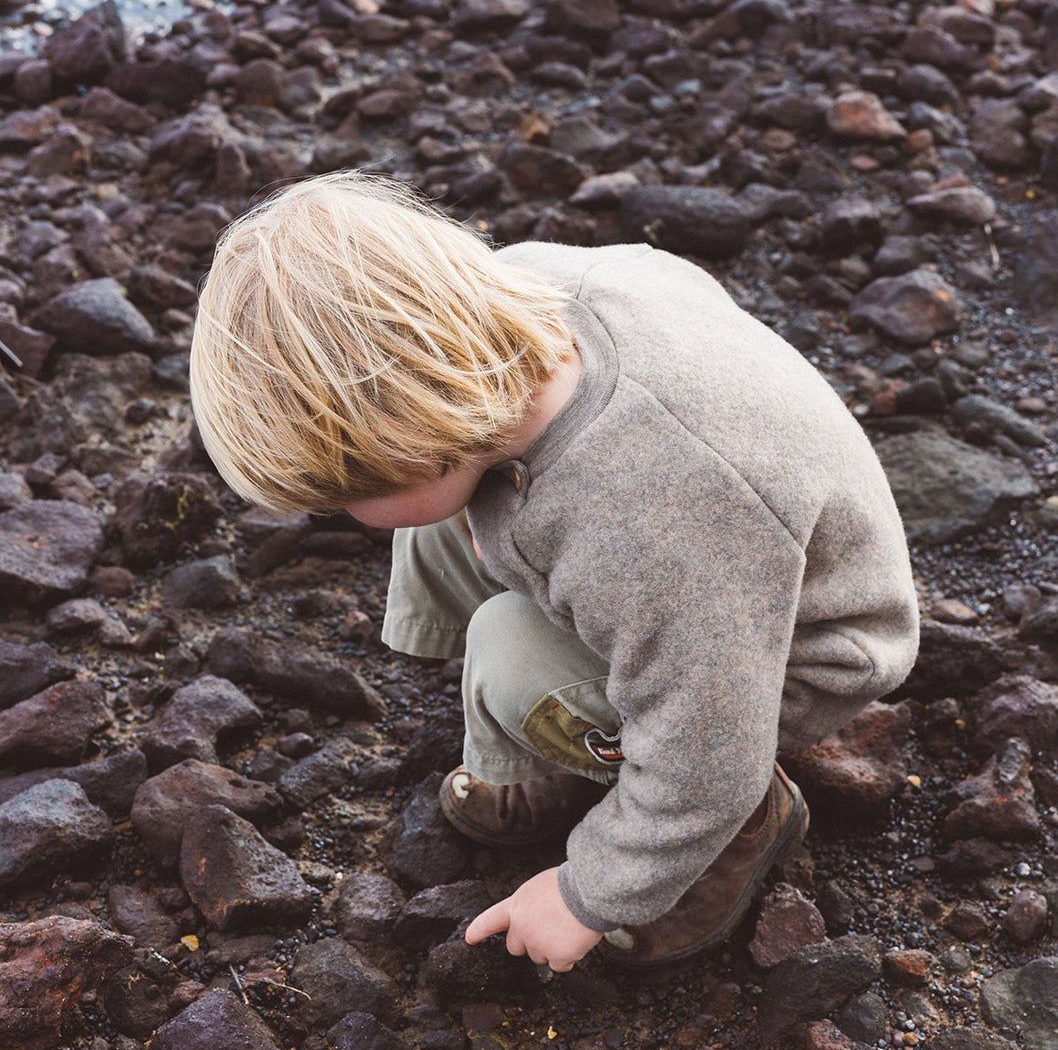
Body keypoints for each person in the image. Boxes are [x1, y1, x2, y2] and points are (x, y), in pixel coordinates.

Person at [189, 171, 920, 974]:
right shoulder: (524, 288)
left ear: (420, 441)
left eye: (348, 498)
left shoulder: (651, 516)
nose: (342, 519)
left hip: (794, 648)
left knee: (508, 646)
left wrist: (590, 892)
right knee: (437, 529)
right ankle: (522, 754)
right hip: (702, 574)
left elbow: (707, 742)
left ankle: (739, 830)